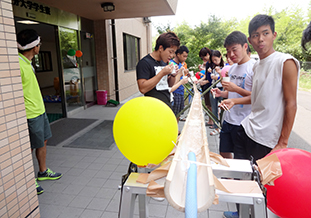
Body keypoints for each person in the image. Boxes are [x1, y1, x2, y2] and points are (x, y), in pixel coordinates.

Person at [220, 16, 299, 217]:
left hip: (266, 139)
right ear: (250, 40)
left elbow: (291, 104)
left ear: (274, 35)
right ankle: (240, 213)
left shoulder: (285, 62)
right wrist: (234, 101)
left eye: (265, 33)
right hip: (246, 130)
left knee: (261, 188)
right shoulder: (257, 65)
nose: (260, 39)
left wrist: (283, 142)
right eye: (256, 35)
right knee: (241, 179)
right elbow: (256, 98)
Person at [17, 29, 62, 195]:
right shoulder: (18, 64)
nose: (40, 46)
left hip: (40, 110)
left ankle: (42, 171)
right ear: (34, 47)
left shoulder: (28, 62)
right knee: (29, 147)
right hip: (30, 114)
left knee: (43, 141)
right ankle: (29, 180)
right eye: (39, 43)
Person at [212, 31, 254, 160]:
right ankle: (230, 177)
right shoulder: (233, 68)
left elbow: (257, 97)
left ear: (245, 47)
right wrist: (222, 93)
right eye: (228, 51)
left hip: (244, 122)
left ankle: (238, 180)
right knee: (224, 153)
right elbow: (232, 93)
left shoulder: (253, 68)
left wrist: (235, 89)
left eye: (234, 50)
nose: (231, 54)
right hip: (229, 119)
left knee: (241, 159)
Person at [136, 32, 180, 108]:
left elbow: (169, 85)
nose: (172, 56)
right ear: (160, 48)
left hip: (167, 104)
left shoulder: (164, 62)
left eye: (173, 53)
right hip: (153, 107)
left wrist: (173, 75)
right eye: (170, 52)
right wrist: (162, 73)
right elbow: (142, 89)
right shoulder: (144, 63)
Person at [170, 45, 189, 121]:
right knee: (173, 114)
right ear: (178, 54)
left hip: (181, 91)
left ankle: (176, 129)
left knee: (179, 113)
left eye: (186, 56)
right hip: (175, 92)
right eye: (184, 56)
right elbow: (172, 83)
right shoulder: (172, 64)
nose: (185, 58)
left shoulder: (181, 64)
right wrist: (180, 74)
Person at [208, 50, 224, 136]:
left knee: (223, 109)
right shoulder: (214, 67)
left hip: (222, 89)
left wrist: (218, 75)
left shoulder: (225, 66)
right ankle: (216, 127)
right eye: (213, 60)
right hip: (213, 88)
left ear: (220, 57)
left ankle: (222, 127)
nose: (214, 61)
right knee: (213, 109)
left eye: (216, 59)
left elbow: (225, 78)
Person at [197, 47, 213, 126]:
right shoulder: (207, 64)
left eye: (203, 57)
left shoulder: (213, 63)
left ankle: (212, 120)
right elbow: (206, 76)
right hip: (206, 86)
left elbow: (213, 78)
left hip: (212, 86)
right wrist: (199, 81)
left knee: (211, 105)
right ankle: (210, 120)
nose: (203, 59)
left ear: (207, 54)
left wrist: (205, 81)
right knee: (207, 104)